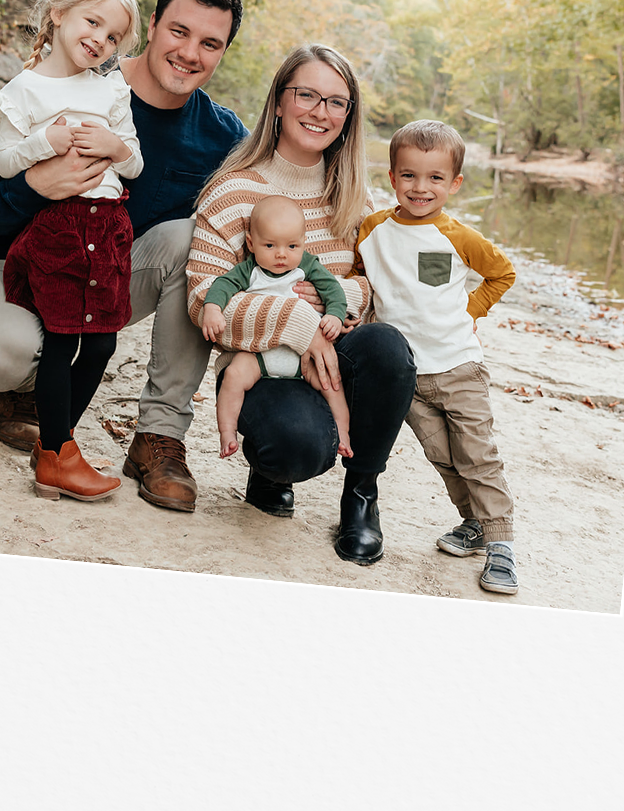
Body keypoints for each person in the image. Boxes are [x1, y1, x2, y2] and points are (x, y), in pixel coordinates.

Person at [0, 0, 250, 511]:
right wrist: (36, 185)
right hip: (11, 262)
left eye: (210, 43)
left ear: (223, 52)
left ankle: (159, 436)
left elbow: (278, 209)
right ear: (153, 25)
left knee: (193, 239)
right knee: (2, 351)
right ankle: (24, 390)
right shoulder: (71, 84)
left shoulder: (224, 137)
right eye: (179, 32)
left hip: (105, 273)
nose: (189, 53)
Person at [185, 44, 418, 565]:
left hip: (340, 350)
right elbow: (203, 300)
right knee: (295, 448)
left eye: (336, 102)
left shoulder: (356, 197)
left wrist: (337, 302)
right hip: (264, 367)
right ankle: (271, 471)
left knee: (388, 347)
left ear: (348, 116)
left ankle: (361, 496)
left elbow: (384, 285)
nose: (320, 111)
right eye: (307, 95)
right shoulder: (233, 190)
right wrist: (297, 323)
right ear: (278, 103)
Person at [0, 0, 144, 501]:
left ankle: (56, 444)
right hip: (57, 228)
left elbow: (135, 164)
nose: (99, 39)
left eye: (113, 35)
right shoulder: (23, 91)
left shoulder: (111, 89)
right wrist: (45, 141)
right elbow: (6, 163)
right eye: (92, 21)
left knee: (102, 341)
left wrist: (115, 146)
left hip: (108, 224)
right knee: (61, 339)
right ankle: (59, 456)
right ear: (58, 14)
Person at [355, 120, 519, 593]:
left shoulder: (458, 236)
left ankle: (502, 543)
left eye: (435, 178)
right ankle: (474, 524)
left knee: (477, 456)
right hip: (407, 376)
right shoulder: (373, 230)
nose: (420, 187)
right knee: (443, 456)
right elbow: (365, 277)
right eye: (409, 175)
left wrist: (470, 311)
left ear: (455, 183)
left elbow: (502, 274)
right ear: (392, 176)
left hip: (457, 367)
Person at [201, 195, 352, 461]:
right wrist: (213, 308)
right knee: (234, 377)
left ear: (303, 243)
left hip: (301, 358)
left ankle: (343, 435)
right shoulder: (249, 270)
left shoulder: (307, 266)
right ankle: (227, 434)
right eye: (270, 245)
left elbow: (334, 291)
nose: (281, 254)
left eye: (292, 245)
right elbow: (222, 286)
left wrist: (335, 317)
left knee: (332, 385)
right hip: (260, 355)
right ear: (251, 243)